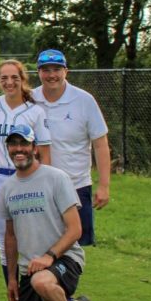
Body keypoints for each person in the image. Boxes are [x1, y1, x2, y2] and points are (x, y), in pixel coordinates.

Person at [2, 125, 105, 301]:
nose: (19, 150)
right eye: (13, 145)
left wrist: (49, 256)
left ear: (34, 148)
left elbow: (75, 230)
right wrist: (12, 278)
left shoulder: (56, 178)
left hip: (63, 258)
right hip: (31, 267)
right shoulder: (7, 188)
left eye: (24, 144)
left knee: (42, 281)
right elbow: (10, 236)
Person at [0, 59, 51, 301]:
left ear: (23, 78)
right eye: (4, 78)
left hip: (26, 179)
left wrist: (45, 179)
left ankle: (34, 297)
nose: (9, 82)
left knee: (31, 239)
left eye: (14, 77)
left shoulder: (35, 110)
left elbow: (43, 149)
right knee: (4, 240)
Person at [33, 49, 111, 246]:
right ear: (38, 73)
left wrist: (104, 185)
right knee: (42, 243)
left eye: (57, 69)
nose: (51, 75)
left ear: (66, 71)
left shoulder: (84, 100)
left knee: (75, 246)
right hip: (40, 186)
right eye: (46, 70)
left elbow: (100, 144)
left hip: (76, 185)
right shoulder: (30, 99)